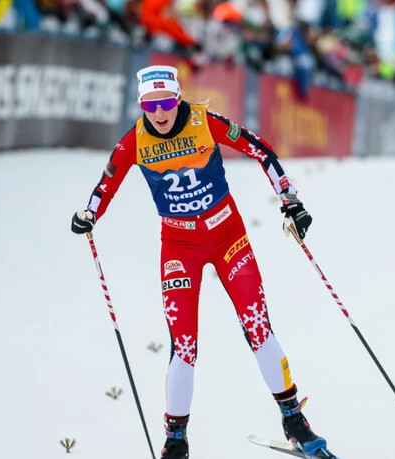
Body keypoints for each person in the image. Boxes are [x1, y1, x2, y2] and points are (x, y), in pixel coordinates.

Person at [70, 65, 333, 459]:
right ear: (141, 105)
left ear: (177, 98)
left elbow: (261, 149)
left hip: (229, 237)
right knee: (184, 344)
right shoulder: (133, 142)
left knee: (257, 325)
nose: (159, 113)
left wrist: (290, 201)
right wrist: (90, 214)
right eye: (149, 105)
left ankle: (293, 419)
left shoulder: (205, 122)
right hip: (179, 247)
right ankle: (176, 440)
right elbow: (106, 184)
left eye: (166, 102)